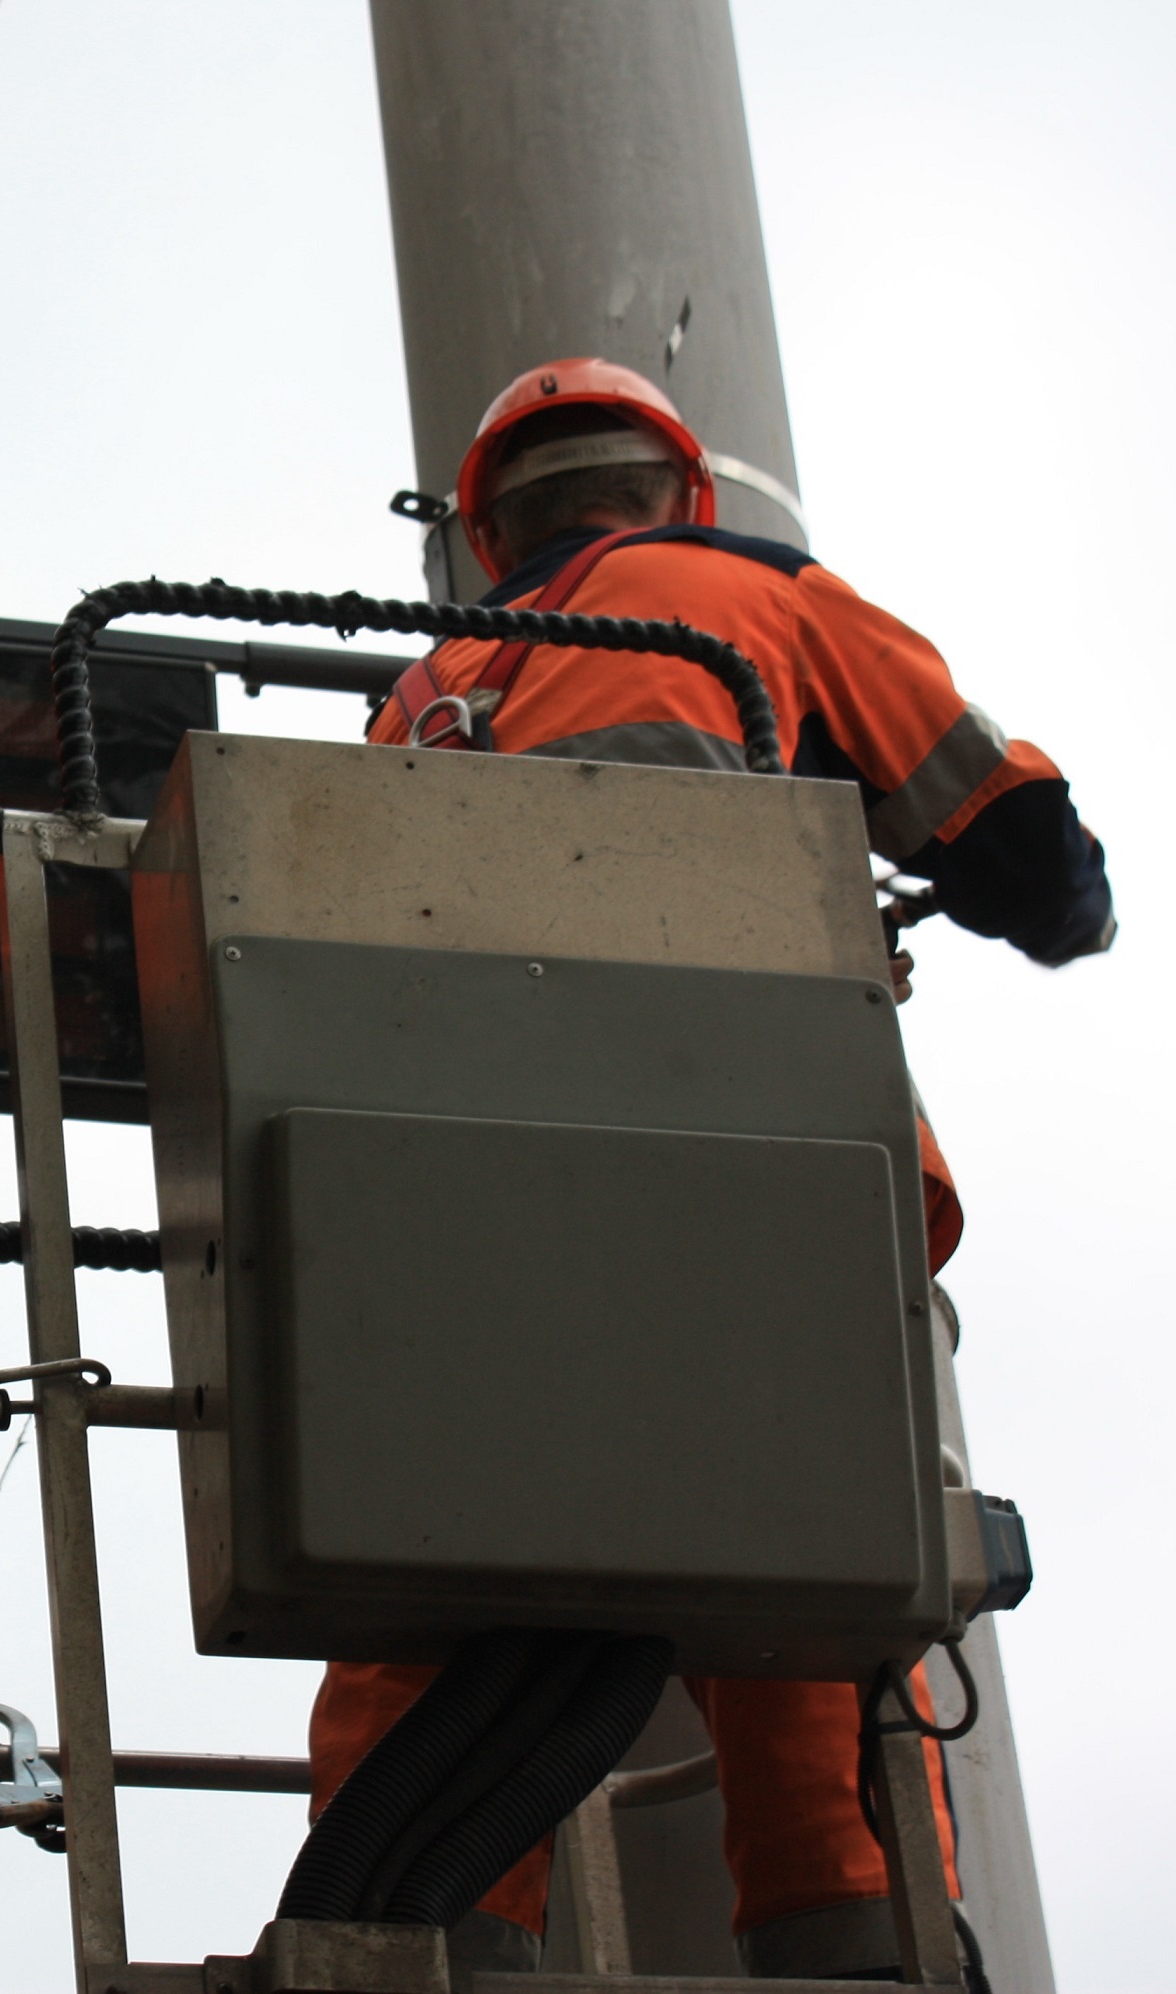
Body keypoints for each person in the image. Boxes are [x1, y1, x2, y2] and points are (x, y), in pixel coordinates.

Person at [321, 358, 1114, 1982]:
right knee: (816, 1616)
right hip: (773, 1198)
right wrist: (1045, 899)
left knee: (438, 1612)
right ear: (675, 491)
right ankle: (858, 1954)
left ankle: (398, 1952)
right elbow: (1023, 850)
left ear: (490, 530)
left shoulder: (421, 698)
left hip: (467, 1235)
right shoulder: (752, 596)